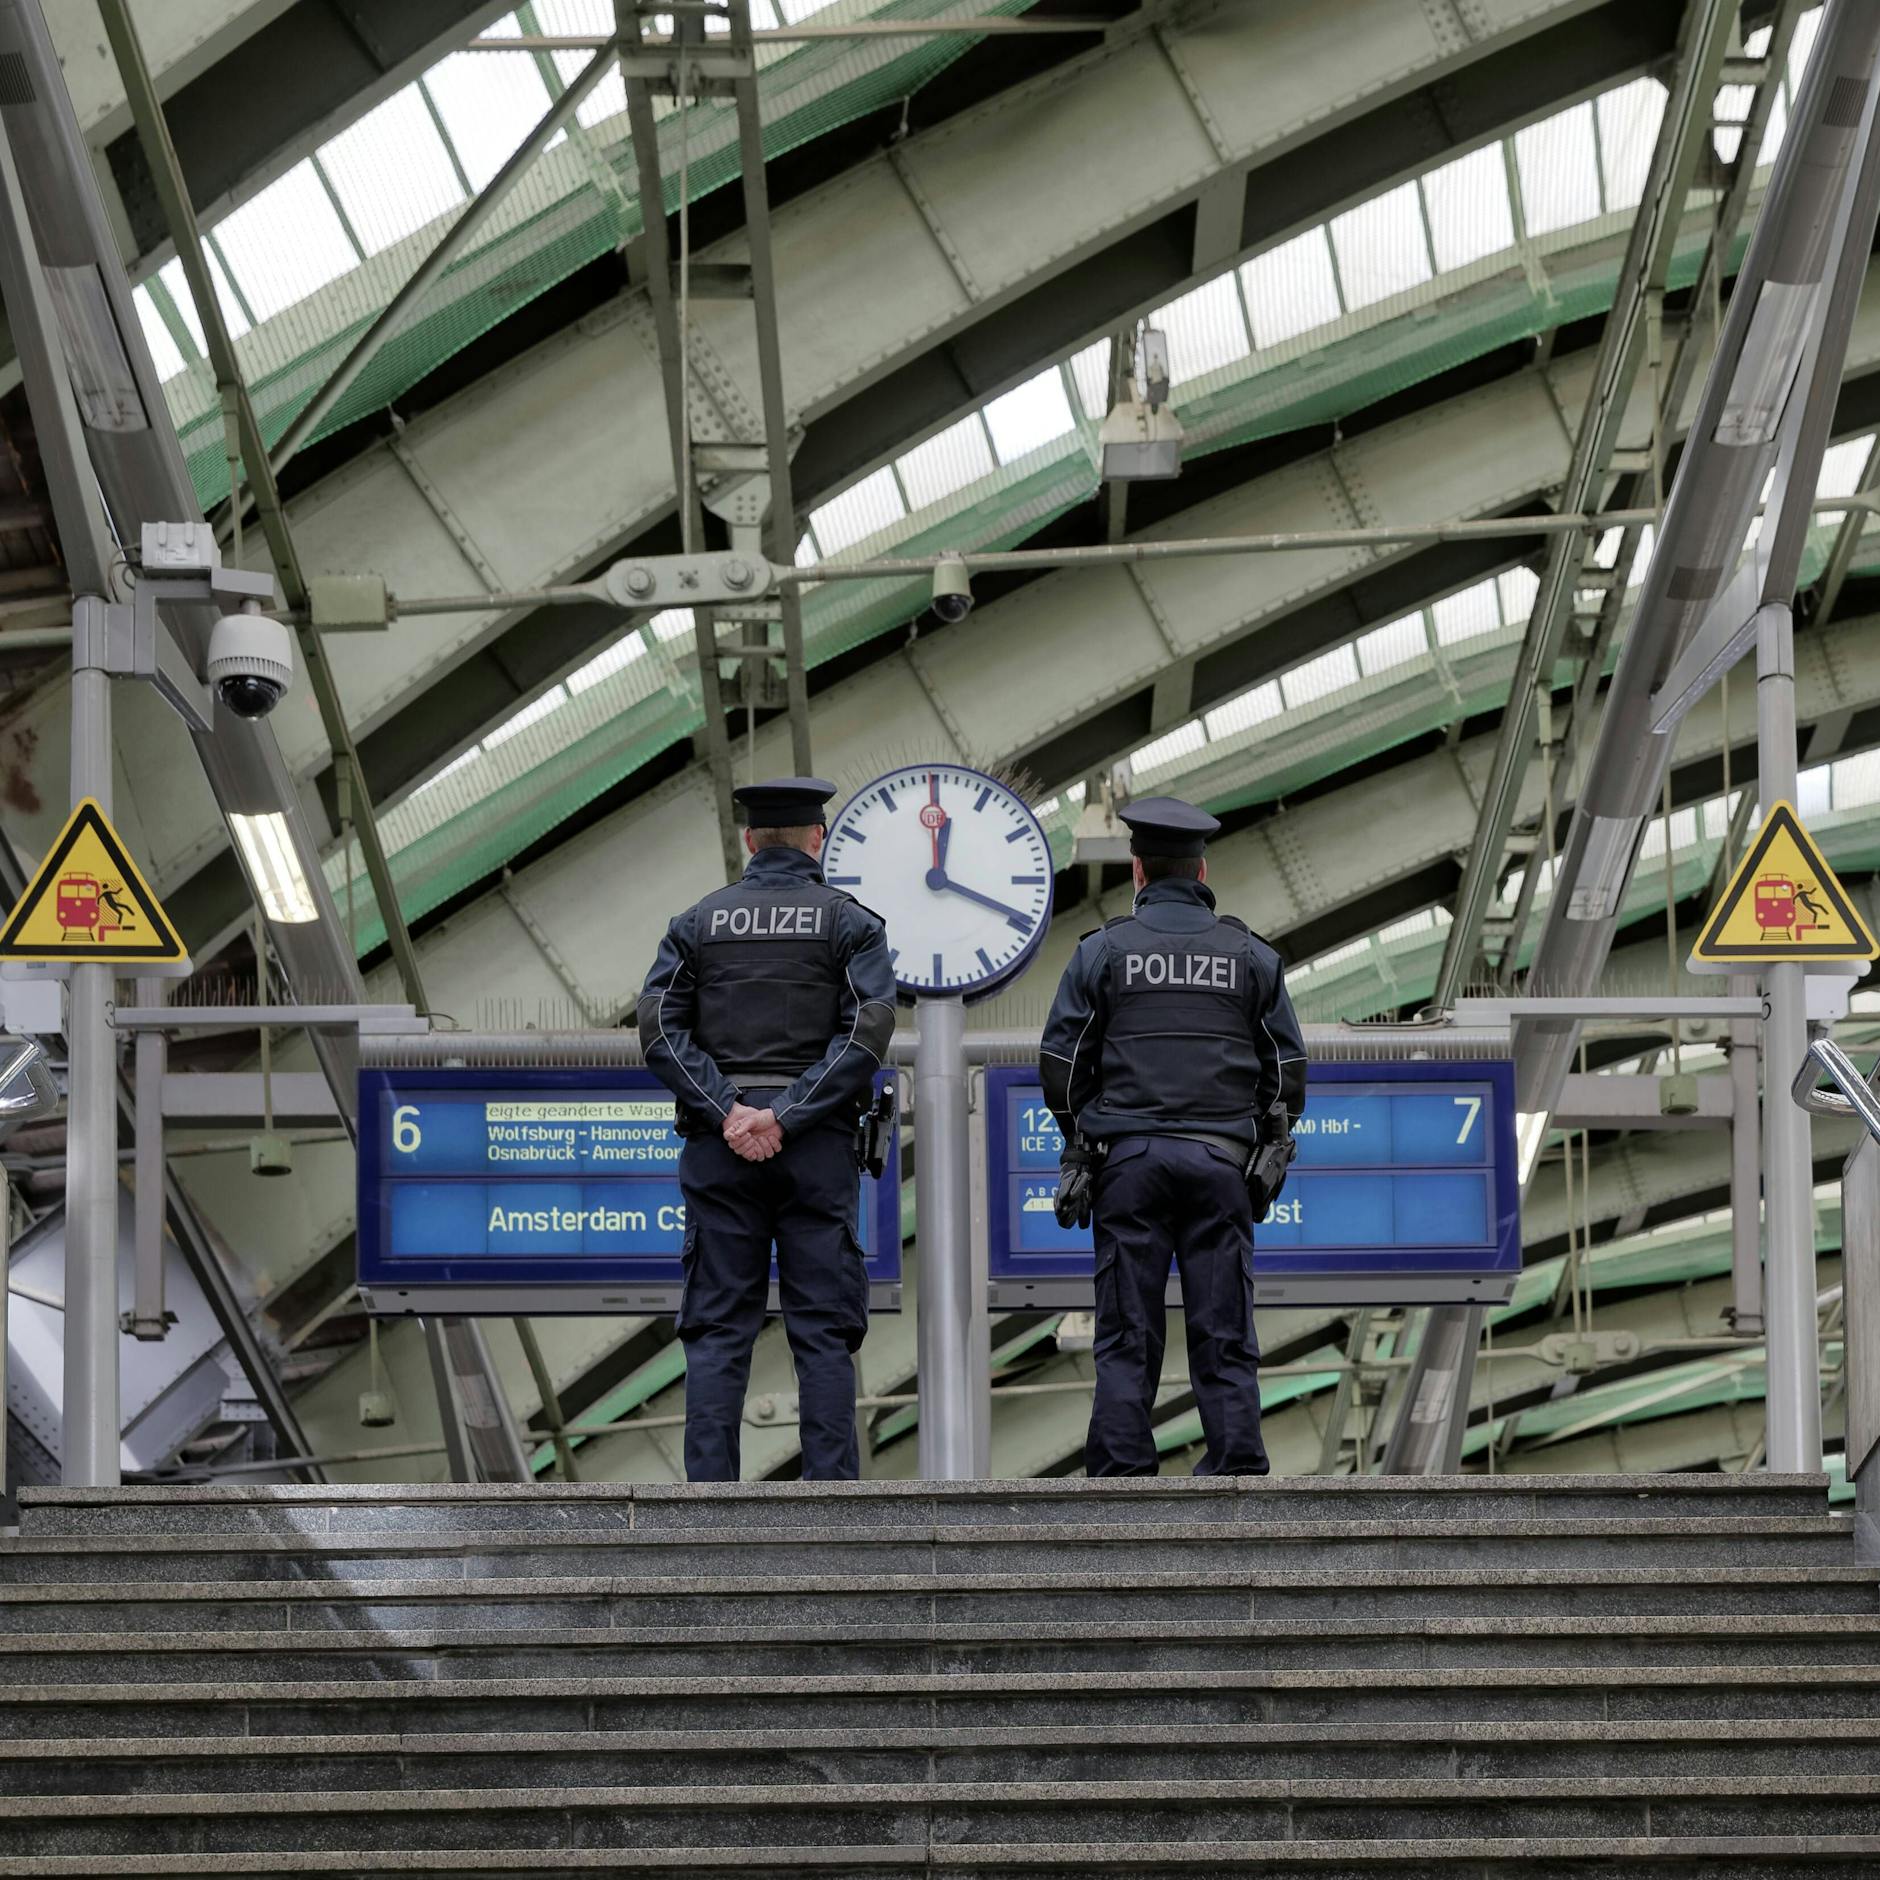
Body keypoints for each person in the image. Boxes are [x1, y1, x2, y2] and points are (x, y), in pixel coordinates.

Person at [637, 777, 896, 1481]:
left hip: (721, 1154)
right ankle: (831, 1498)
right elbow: (867, 1034)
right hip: (816, 1151)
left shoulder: (696, 923)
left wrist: (730, 1111)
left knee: (719, 1328)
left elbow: (659, 1029)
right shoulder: (850, 925)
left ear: (751, 841)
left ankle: (709, 1503)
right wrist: (785, 1113)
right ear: (818, 839)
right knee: (822, 1330)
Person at [1039, 796, 1306, 1478]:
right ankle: (1236, 1456)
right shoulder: (1251, 958)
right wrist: (1266, 1144)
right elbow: (1287, 1070)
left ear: (1137, 871)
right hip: (1222, 1167)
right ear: (1202, 869)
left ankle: (1124, 1465)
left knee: (1128, 1324)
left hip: (1128, 1164)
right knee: (1223, 1320)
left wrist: (1083, 1138)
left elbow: (1060, 1062)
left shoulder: (1102, 953)